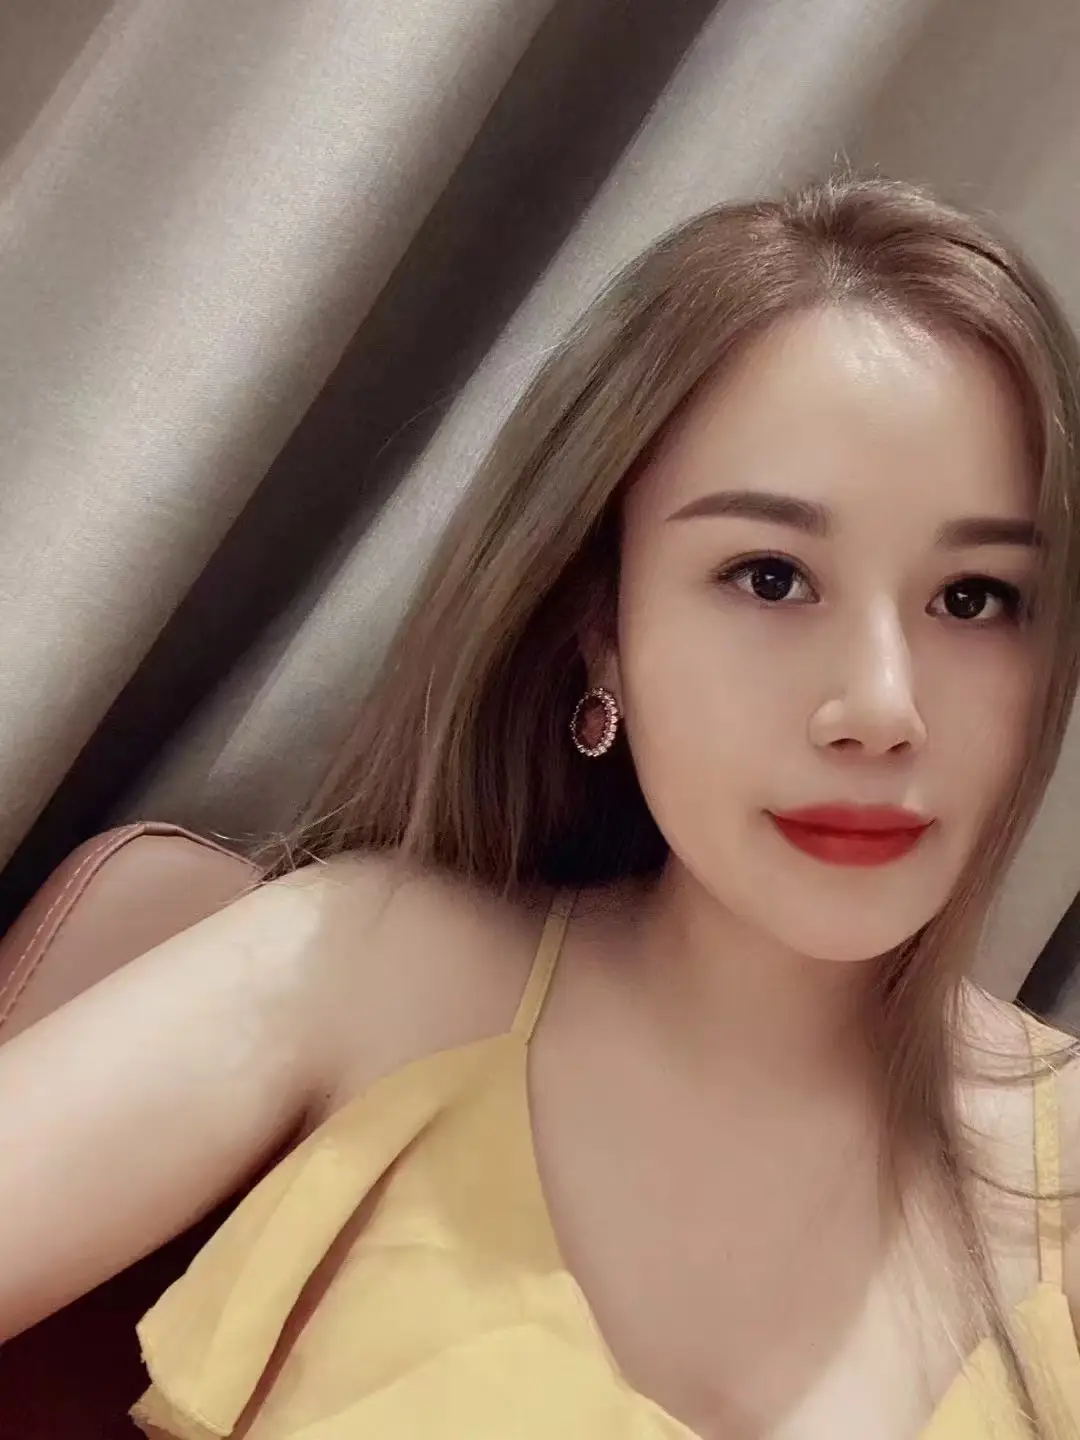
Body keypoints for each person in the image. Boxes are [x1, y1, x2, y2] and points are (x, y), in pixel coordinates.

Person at [1, 173, 1079, 1440]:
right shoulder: (375, 972)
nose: (882, 707)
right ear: (600, 630)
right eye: (770, 576)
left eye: (973, 598)